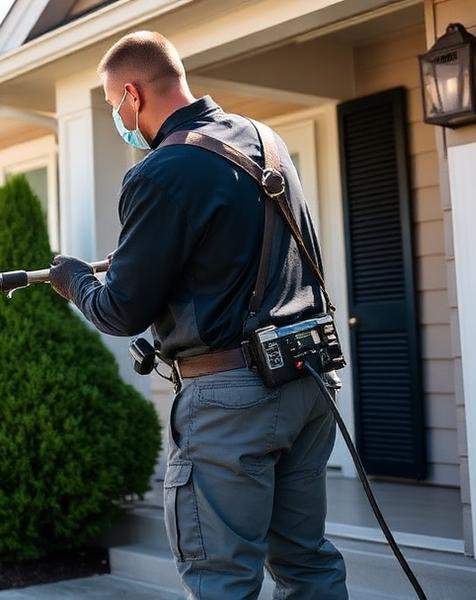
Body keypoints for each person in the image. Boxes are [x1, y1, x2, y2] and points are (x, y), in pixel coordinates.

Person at [48, 31, 348, 599]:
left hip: (232, 402)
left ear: (132, 94)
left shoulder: (162, 170)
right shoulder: (266, 142)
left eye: (115, 105)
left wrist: (75, 281)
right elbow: (228, 254)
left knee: (221, 579)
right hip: (308, 380)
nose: (119, 117)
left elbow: (120, 311)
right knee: (306, 564)